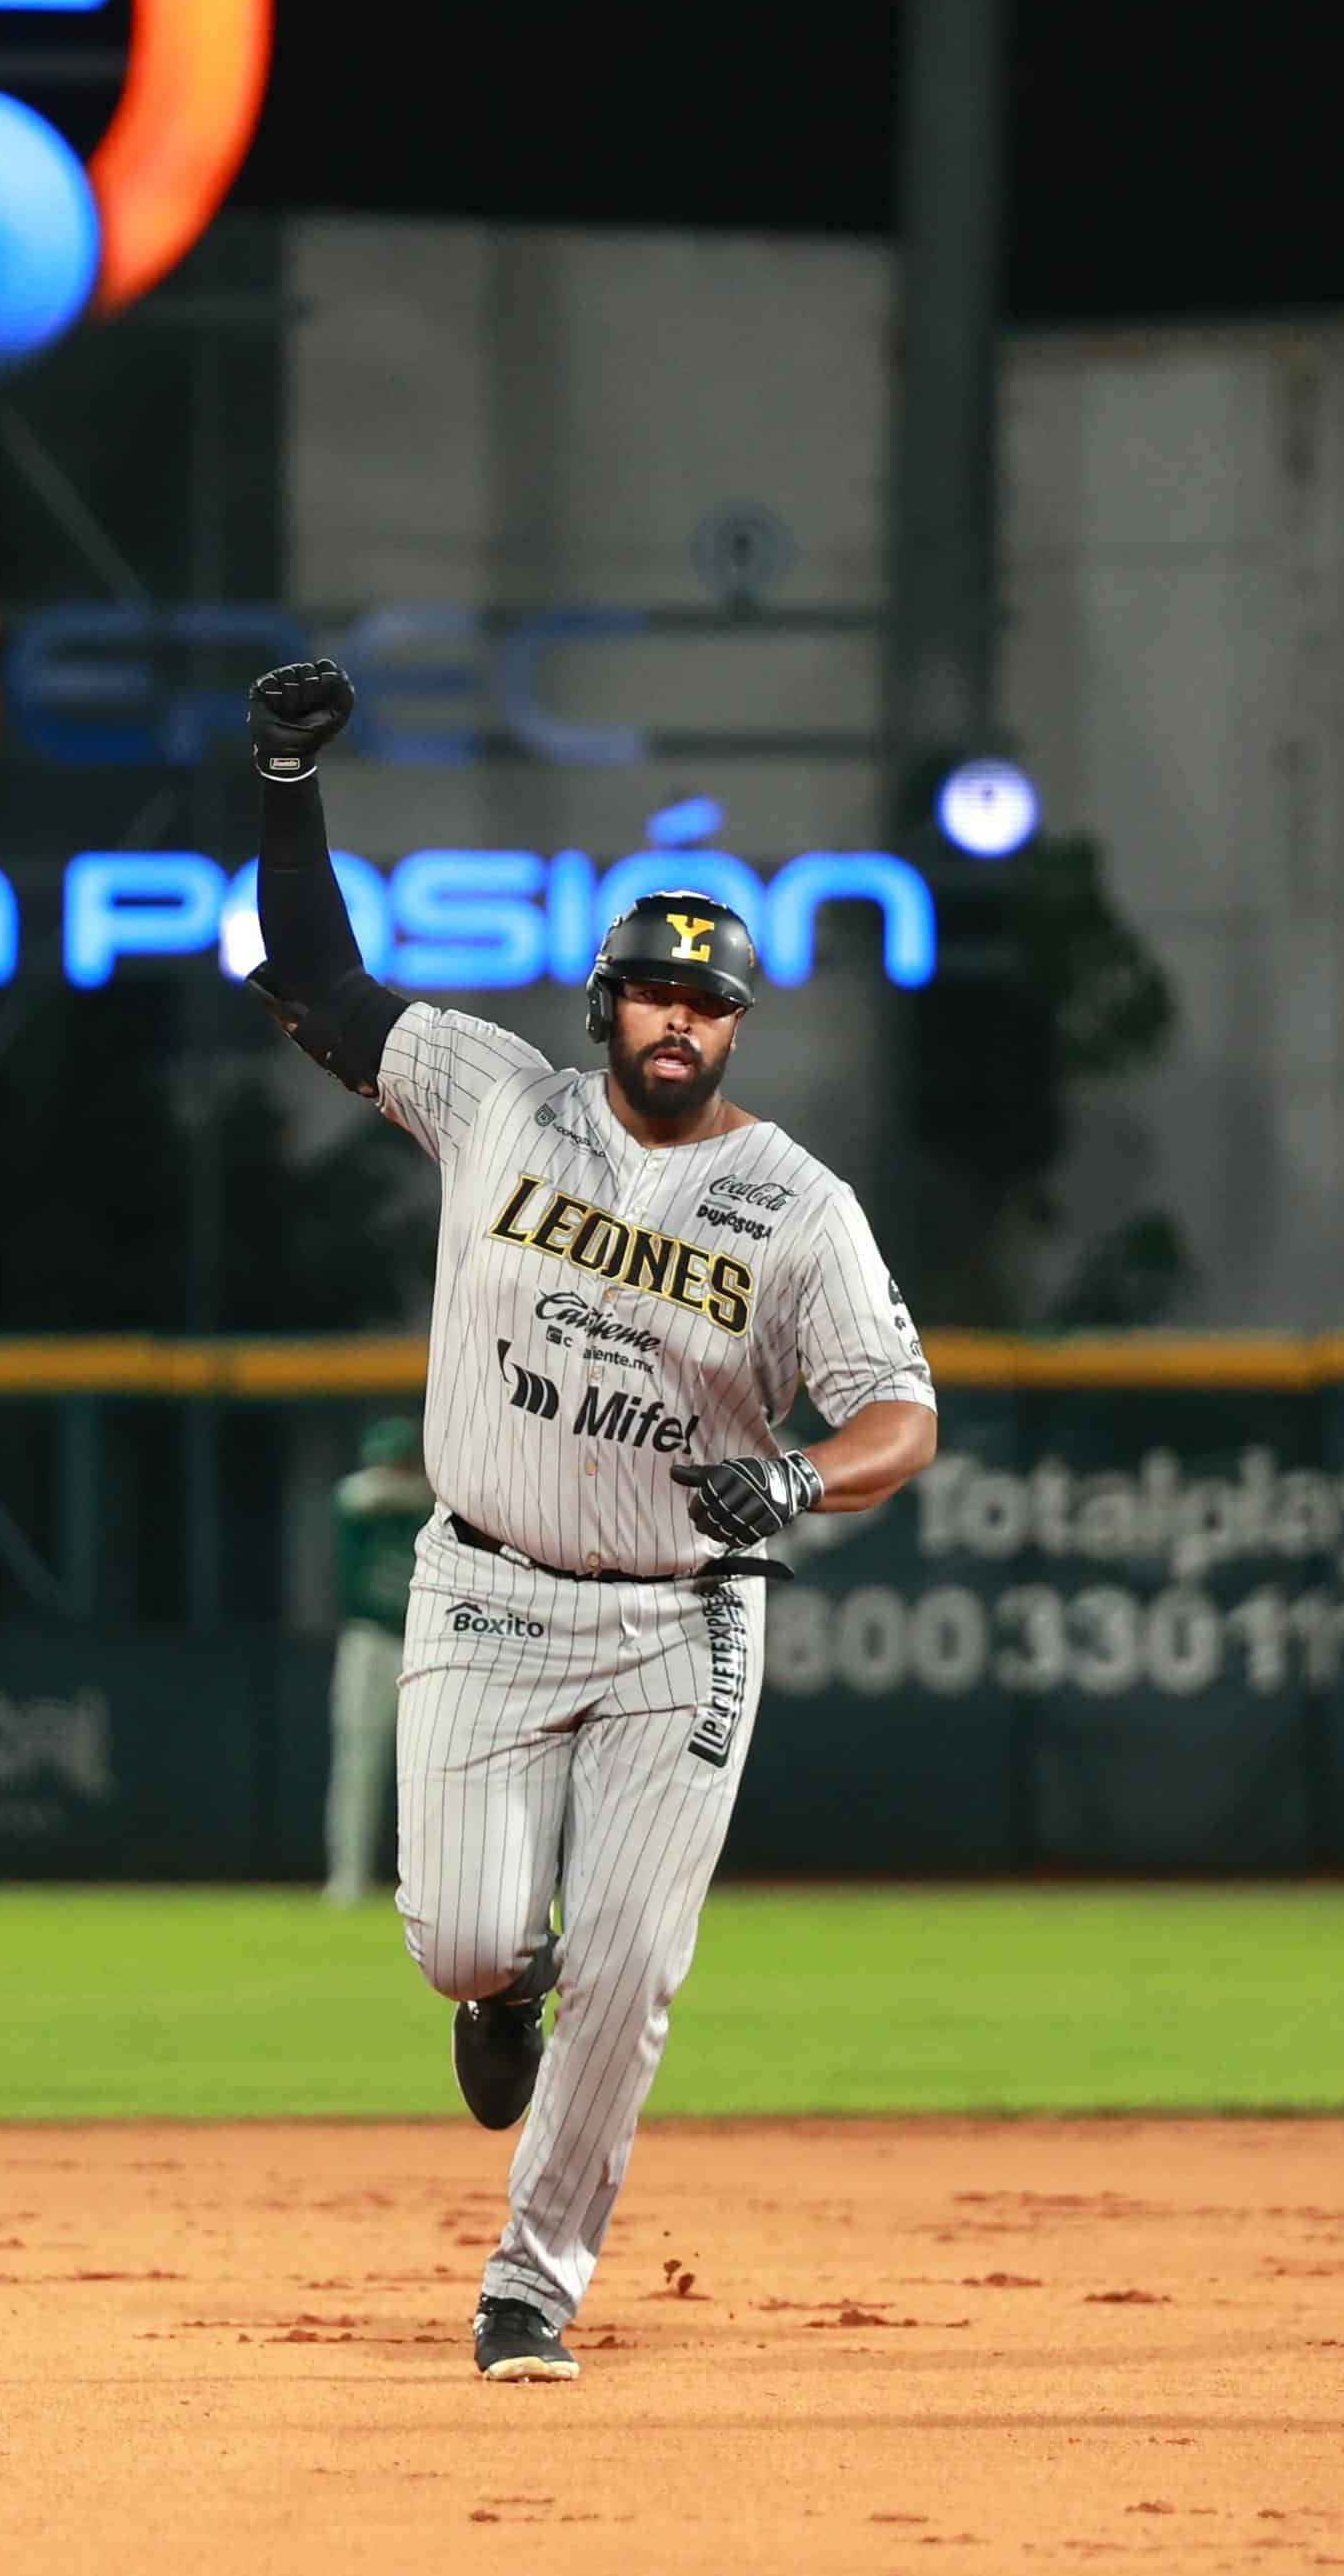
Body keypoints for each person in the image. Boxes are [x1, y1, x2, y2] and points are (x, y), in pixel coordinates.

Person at [239, 657, 941, 2383]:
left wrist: (793, 1479)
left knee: (630, 1968)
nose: (683, 1023)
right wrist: (281, 785)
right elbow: (316, 980)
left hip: (682, 1621)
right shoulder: (494, 1098)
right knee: (466, 1935)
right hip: (482, 1587)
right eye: (654, 995)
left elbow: (902, 1417)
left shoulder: (795, 1206)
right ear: (602, 1002)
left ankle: (530, 2283)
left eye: (711, 1003)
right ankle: (494, 1987)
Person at [321, 1414, 430, 1905]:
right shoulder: (362, 1497)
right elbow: (358, 1494)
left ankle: (435, 1882)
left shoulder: (435, 1503)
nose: (390, 1471)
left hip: (424, 1640)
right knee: (358, 1760)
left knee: (435, 1766)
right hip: (368, 1639)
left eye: (398, 1462)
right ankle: (348, 1875)